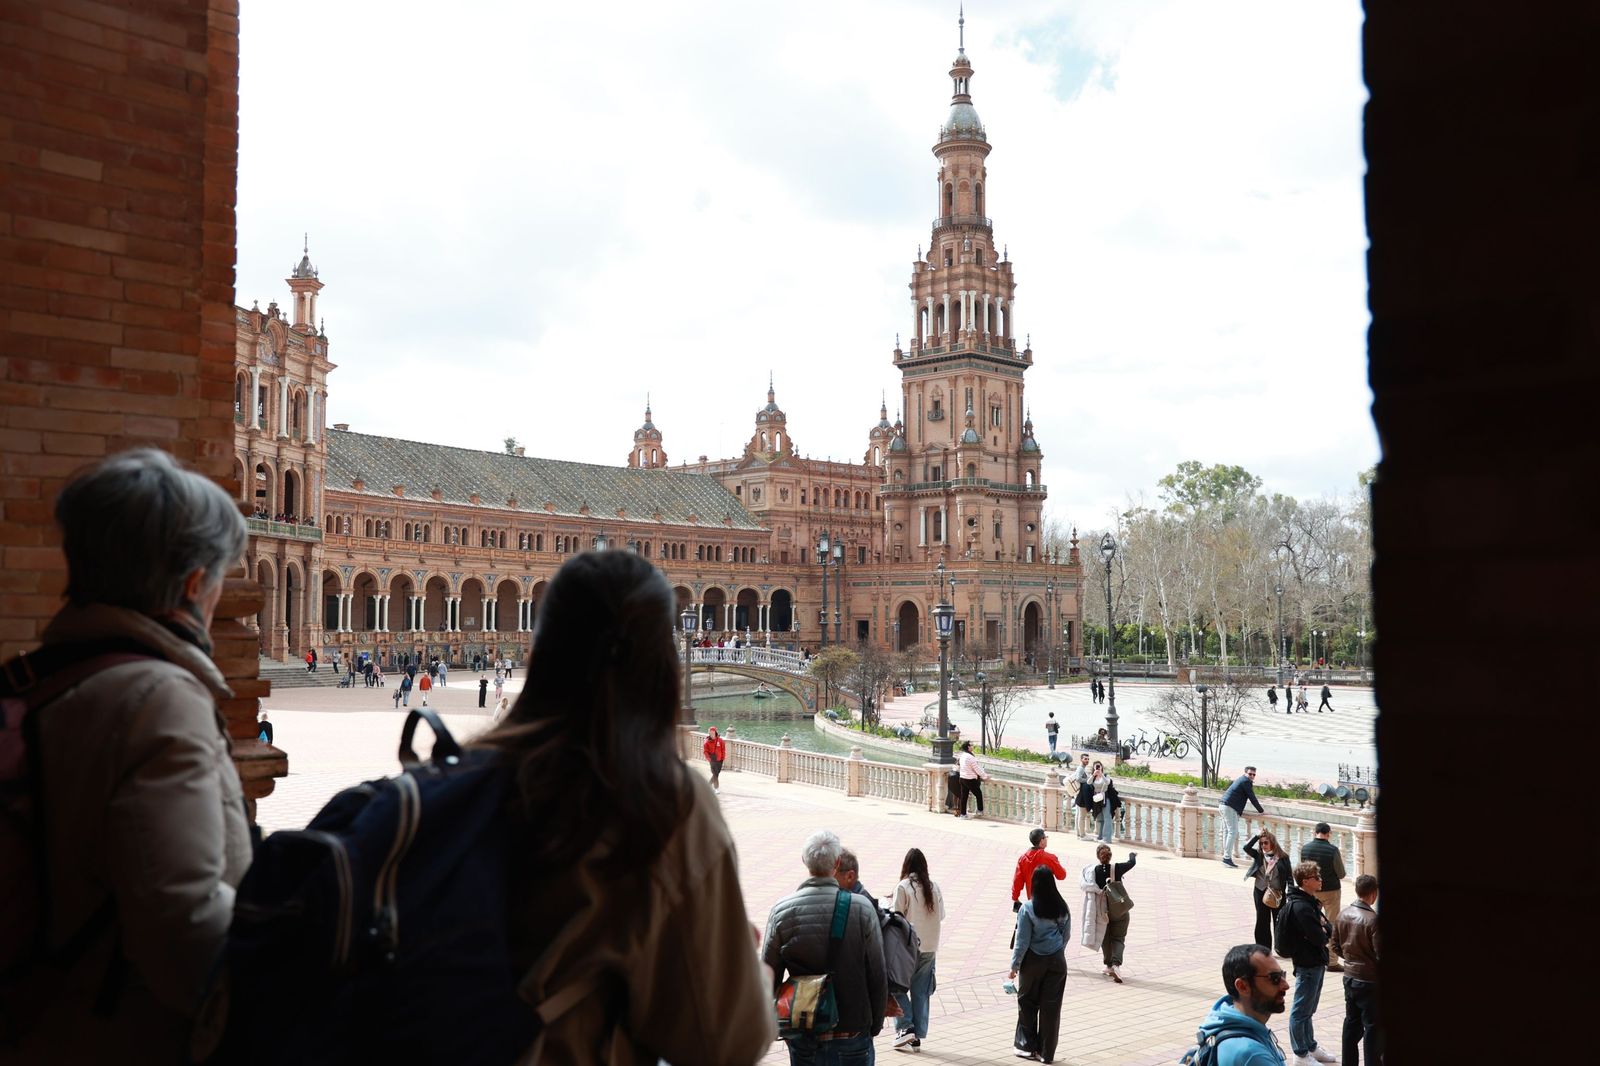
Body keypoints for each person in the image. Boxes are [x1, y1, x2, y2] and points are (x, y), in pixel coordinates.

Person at [471, 550, 774, 1063]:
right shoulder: (664, 805)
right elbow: (729, 1040)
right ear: (659, 665)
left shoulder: (455, 776)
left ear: (541, 650)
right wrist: (754, 973)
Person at [8, 448, 251, 1062]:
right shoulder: (158, 699)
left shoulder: (32, 678)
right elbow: (186, 933)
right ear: (196, 583)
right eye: (222, 576)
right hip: (116, 1034)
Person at [763, 829, 886, 1065]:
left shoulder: (782, 911)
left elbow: (768, 976)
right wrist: (874, 1025)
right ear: (837, 862)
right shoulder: (861, 908)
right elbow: (877, 974)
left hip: (805, 1032)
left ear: (804, 862)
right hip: (852, 1032)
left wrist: (777, 1024)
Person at [1009, 866, 1071, 1063]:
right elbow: (1066, 935)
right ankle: (1046, 1053)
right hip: (1057, 962)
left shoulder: (1028, 908)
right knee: (1051, 1007)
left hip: (1033, 961)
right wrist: (1057, 950)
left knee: (1027, 1001)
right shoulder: (1062, 907)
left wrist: (1014, 966)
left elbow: (1022, 941)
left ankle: (1026, 1046)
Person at [1278, 862, 1337, 1065]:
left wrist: (1323, 929)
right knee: (1300, 1010)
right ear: (1306, 881)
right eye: (1317, 877)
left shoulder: (1310, 901)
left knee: (1309, 1009)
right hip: (1307, 963)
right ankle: (1300, 1054)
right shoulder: (1301, 906)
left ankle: (1311, 1046)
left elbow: (1328, 928)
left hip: (1316, 962)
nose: (1321, 879)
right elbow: (1320, 938)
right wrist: (1322, 930)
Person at [1194, 944, 1291, 1065]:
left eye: (1283, 975)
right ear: (1242, 986)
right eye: (1274, 978)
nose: (1286, 985)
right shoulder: (1251, 1055)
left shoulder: (1220, 1023)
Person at [891, 848, 945, 1053]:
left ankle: (906, 1027)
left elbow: (896, 919)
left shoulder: (903, 887)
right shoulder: (934, 887)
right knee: (921, 991)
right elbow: (941, 916)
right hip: (930, 946)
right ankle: (917, 1034)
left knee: (895, 986)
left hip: (907, 947)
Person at [1333, 875, 1381, 1066]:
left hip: (1349, 977)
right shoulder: (1373, 920)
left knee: (1351, 1024)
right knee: (1372, 1027)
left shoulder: (1343, 914)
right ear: (1373, 894)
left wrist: (1352, 960)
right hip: (1369, 980)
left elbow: (1334, 945)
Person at [1081, 844, 1137, 982]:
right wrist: (1132, 854)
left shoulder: (1093, 871)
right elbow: (1132, 863)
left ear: (1098, 857)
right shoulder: (1117, 868)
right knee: (1118, 938)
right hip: (1119, 910)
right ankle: (1116, 965)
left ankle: (1108, 965)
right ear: (1110, 855)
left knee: (1105, 938)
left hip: (1103, 911)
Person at [1300, 822, 1347, 970]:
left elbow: (1303, 870)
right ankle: (1332, 961)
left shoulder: (1305, 848)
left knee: (1311, 923)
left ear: (1315, 832)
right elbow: (1341, 873)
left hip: (1311, 891)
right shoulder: (1333, 850)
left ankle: (1313, 954)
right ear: (1328, 833)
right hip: (1331, 891)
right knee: (1332, 924)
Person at [1242, 829, 1290, 953]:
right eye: (1261, 843)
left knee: (1279, 921)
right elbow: (1246, 848)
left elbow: (1289, 877)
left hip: (1277, 893)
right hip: (1260, 891)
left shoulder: (1283, 857)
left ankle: (1281, 947)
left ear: (1272, 843)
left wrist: (1291, 894)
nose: (1263, 845)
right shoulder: (1258, 855)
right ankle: (1263, 948)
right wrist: (1256, 836)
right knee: (1262, 921)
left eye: (1266, 843)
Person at [1218, 767, 1266, 867]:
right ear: (1245, 773)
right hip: (1229, 807)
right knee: (1232, 831)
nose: (1252, 776)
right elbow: (1252, 797)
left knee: (1227, 832)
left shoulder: (1241, 779)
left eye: (1254, 774)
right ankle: (1226, 858)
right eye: (1250, 774)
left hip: (1223, 805)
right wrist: (1261, 811)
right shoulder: (1245, 781)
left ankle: (1225, 857)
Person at [1011, 828, 1067, 909]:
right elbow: (1062, 876)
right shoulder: (1050, 858)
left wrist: (1015, 898)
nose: (1047, 839)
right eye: (1045, 837)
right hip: (1049, 901)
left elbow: (1017, 881)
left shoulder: (1022, 859)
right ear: (1042, 841)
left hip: (1032, 902)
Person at [955, 739, 989, 818]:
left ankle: (963, 814)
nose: (973, 746)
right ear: (968, 747)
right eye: (971, 745)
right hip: (970, 779)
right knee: (978, 794)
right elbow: (977, 769)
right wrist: (985, 776)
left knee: (964, 796)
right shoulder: (970, 757)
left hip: (962, 778)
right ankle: (979, 810)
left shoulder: (962, 756)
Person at [1087, 760, 1119, 842]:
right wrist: (1094, 775)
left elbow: (1108, 782)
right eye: (1096, 766)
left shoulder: (1105, 775)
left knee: (1107, 817)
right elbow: (1088, 782)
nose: (1098, 768)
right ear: (1094, 768)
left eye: (1099, 766)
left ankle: (1107, 838)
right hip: (1097, 799)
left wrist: (1101, 775)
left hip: (1105, 798)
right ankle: (1100, 836)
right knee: (1100, 818)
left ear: (1101, 767)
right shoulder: (1093, 776)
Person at [1069, 753, 1092, 837]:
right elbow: (1078, 778)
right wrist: (1087, 780)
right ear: (1081, 759)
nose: (1087, 760)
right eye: (1085, 759)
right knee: (1081, 816)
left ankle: (1078, 832)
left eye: (1088, 759)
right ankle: (1081, 834)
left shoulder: (1081, 768)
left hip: (1079, 793)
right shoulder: (1081, 769)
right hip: (1081, 794)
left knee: (1078, 815)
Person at [702, 725, 727, 791]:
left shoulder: (720, 740)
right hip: (712, 760)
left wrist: (723, 757)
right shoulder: (707, 742)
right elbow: (705, 751)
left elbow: (723, 749)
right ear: (709, 733)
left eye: (713, 732)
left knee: (716, 774)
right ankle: (716, 788)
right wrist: (709, 759)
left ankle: (708, 786)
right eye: (710, 733)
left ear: (715, 732)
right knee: (715, 774)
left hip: (720, 760)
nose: (712, 734)